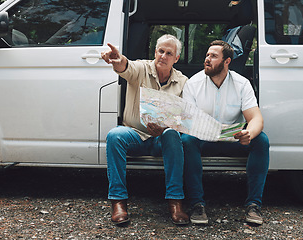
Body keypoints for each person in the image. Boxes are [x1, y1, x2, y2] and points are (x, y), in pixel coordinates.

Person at [101, 34, 189, 225]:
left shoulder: (183, 82)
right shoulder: (142, 68)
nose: (163, 56)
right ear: (155, 52)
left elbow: (184, 117)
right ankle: (118, 202)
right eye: (160, 51)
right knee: (115, 135)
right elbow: (125, 66)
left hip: (162, 139)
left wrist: (166, 126)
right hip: (135, 134)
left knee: (173, 134)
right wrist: (118, 59)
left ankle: (176, 202)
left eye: (169, 53)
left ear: (176, 58)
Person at [182, 40, 270, 225]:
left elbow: (256, 118)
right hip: (204, 140)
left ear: (227, 61)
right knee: (187, 140)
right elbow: (187, 121)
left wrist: (249, 134)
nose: (207, 59)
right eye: (207, 55)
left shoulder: (242, 84)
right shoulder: (193, 83)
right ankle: (197, 204)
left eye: (213, 56)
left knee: (261, 140)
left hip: (234, 140)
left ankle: (254, 205)